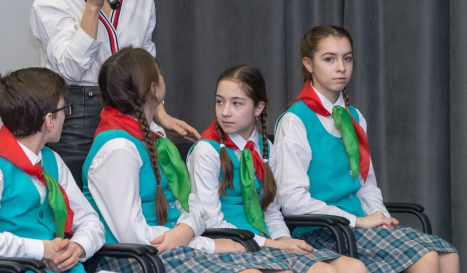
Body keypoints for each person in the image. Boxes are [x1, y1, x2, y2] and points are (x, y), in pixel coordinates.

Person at [84, 47, 326, 273]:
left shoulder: (150, 140)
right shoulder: (118, 148)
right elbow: (134, 236)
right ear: (153, 88)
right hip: (140, 259)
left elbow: (190, 203)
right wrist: (200, 240)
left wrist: (188, 229)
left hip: (176, 248)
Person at [274, 25, 459, 273]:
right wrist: (359, 221)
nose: (341, 67)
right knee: (426, 257)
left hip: (358, 227)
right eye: (329, 59)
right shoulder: (295, 121)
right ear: (308, 64)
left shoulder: (355, 117)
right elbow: (292, 201)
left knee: (448, 256)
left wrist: (381, 217)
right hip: (321, 229)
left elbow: (366, 185)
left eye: (347, 58)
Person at [30, 0, 199, 162]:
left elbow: (146, 69)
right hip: (77, 119)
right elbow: (70, 69)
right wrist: (92, 6)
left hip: (134, 113)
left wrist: (160, 114)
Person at [187, 65, 366, 273]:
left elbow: (271, 212)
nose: (225, 112)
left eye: (236, 103)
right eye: (220, 102)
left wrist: (284, 240)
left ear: (258, 108)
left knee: (353, 267)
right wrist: (271, 244)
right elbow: (210, 221)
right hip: (229, 246)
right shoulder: (206, 151)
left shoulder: (266, 149)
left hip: (266, 243)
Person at [0, 68, 107, 273]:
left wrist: (78, 246)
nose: (65, 115)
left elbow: (90, 221)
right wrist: (41, 249)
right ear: (49, 120)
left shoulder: (52, 160)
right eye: (64, 108)